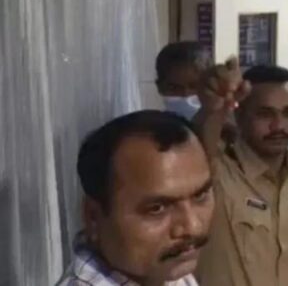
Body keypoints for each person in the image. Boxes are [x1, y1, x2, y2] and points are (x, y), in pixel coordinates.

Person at [193, 60, 288, 286]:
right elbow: (199, 146)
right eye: (265, 114)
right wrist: (212, 110)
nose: (279, 126)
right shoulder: (217, 171)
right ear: (239, 115)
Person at [57, 110, 214, 285]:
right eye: (157, 209)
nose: (192, 226)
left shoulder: (165, 273)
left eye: (200, 196)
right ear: (93, 217)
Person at [156, 41, 208, 120]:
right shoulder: (152, 126)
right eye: (174, 88)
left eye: (195, 86)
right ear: (160, 88)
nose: (185, 94)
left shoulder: (225, 125)